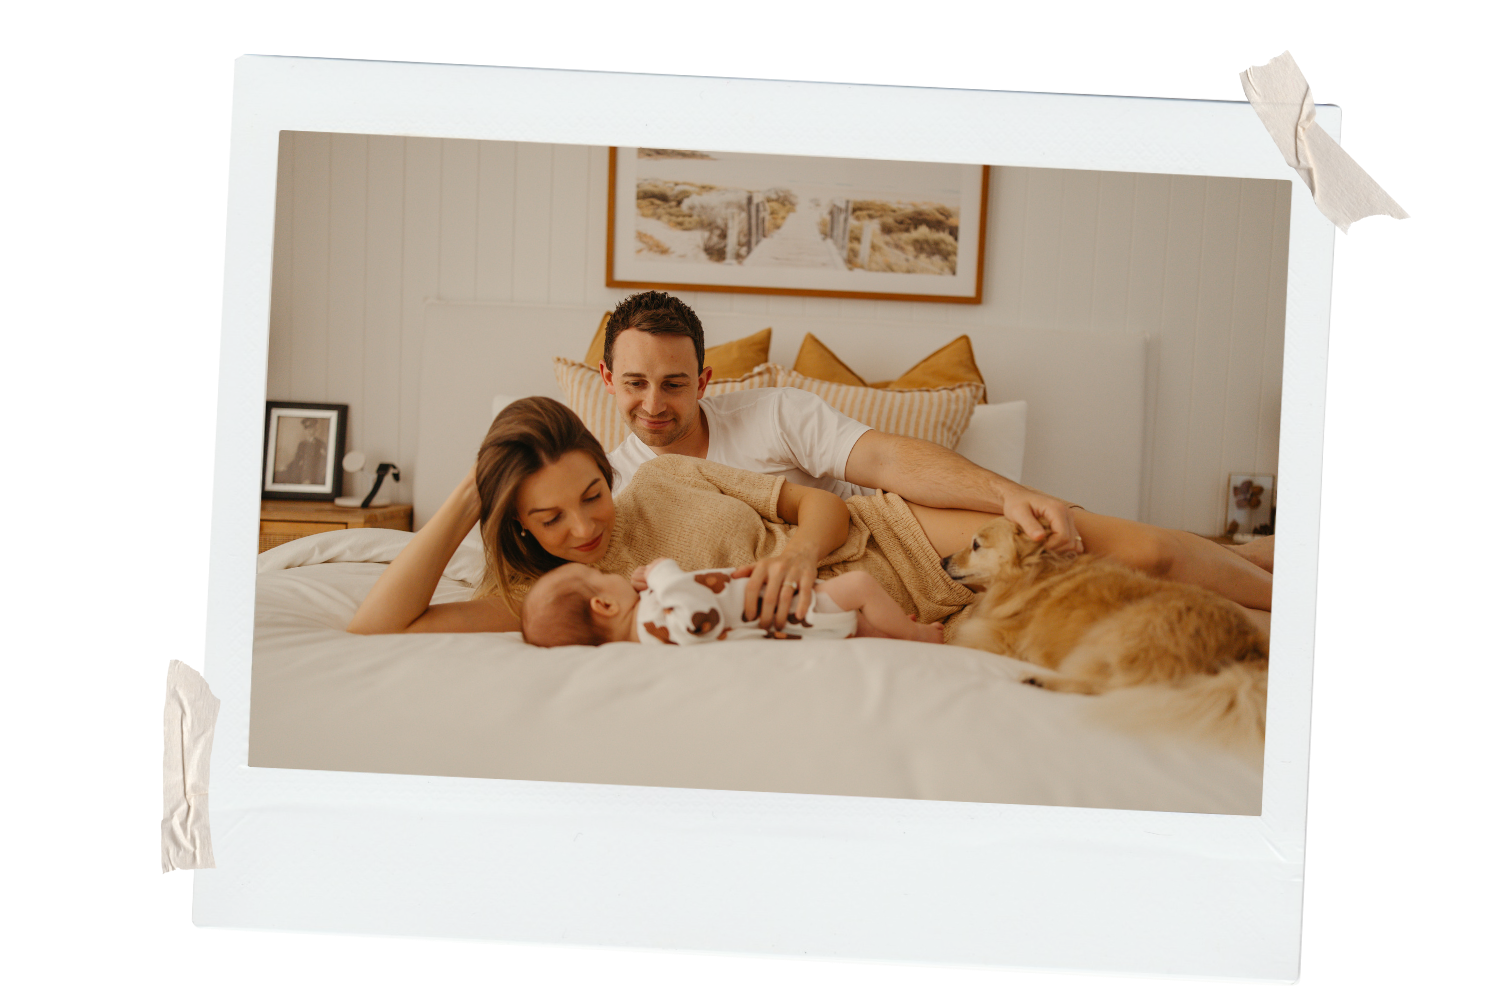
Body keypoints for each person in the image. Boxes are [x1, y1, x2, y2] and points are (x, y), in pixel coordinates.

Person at [596, 290, 1275, 614]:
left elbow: (887, 462)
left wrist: (1007, 494)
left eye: (674, 384)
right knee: (1150, 561)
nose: (654, 403)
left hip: (899, 529)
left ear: (705, 381)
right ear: (607, 383)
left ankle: (1296, 603)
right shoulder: (611, 494)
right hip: (865, 598)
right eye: (635, 383)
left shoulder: (772, 411)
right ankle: (1244, 556)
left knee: (1148, 554)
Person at [345, 397, 1043, 642]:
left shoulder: (663, 472)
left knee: (1143, 555)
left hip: (898, 536)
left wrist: (798, 555)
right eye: (549, 518)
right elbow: (375, 626)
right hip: (894, 617)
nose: (585, 527)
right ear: (519, 526)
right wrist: (475, 486)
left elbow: (822, 503)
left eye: (592, 493)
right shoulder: (550, 599)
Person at [520, 558, 946, 647]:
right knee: (860, 585)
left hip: (772, 604)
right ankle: (918, 633)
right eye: (600, 577)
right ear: (605, 606)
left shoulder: (650, 618)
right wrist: (660, 573)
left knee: (857, 619)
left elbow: (704, 599)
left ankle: (890, 630)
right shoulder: (653, 621)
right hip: (785, 607)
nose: (610, 572)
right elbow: (698, 619)